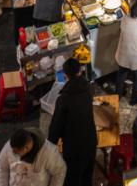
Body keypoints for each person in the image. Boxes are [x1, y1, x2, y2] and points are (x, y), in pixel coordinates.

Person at [48, 58, 97, 186]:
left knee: (72, 179)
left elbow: (55, 129)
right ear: (80, 71)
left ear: (65, 75)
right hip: (91, 141)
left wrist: (49, 147)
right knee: (87, 176)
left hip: (74, 148)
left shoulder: (64, 99)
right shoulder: (88, 89)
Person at [0, 128, 66, 186]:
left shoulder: (49, 152)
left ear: (25, 148)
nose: (13, 152)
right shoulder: (11, 145)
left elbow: (60, 171)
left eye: (16, 152)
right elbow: (2, 167)